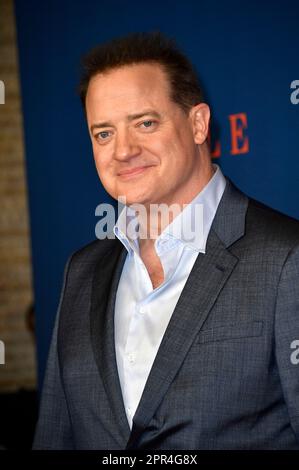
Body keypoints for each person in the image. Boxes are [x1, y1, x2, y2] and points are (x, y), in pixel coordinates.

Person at [33, 32, 299, 450]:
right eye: (103, 134)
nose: (122, 151)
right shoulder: (81, 271)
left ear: (198, 124)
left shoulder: (287, 259)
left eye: (145, 123)